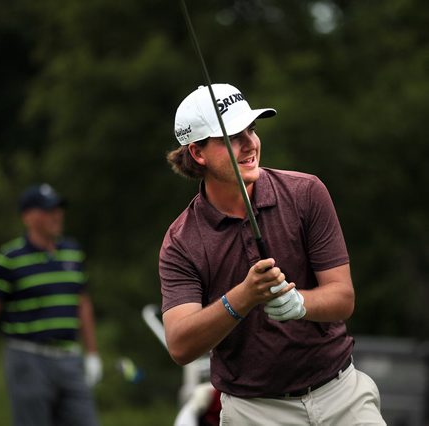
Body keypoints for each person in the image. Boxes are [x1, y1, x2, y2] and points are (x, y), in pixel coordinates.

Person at [159, 83, 386, 425]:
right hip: (254, 410)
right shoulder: (181, 241)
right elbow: (180, 345)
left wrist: (301, 304)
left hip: (340, 394)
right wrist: (242, 298)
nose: (250, 143)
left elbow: (343, 297)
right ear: (198, 153)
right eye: (233, 135)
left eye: (251, 129)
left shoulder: (306, 193)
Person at [0, 183, 102, 426]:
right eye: (48, 210)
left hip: (69, 358)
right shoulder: (9, 258)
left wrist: (93, 353)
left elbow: (83, 304)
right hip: (28, 360)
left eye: (58, 209)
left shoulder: (72, 252)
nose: (57, 215)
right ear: (28, 217)